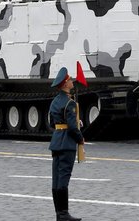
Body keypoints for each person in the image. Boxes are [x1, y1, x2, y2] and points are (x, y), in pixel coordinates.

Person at [49, 66, 84, 221]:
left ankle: (59, 213)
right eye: (69, 80)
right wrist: (80, 138)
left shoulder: (55, 102)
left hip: (56, 142)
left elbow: (52, 123)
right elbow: (71, 127)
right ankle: (63, 214)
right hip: (67, 144)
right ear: (64, 85)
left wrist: (75, 122)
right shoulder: (70, 103)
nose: (71, 81)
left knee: (56, 179)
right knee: (63, 178)